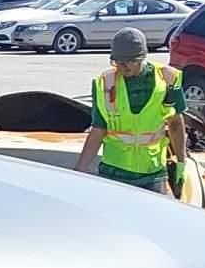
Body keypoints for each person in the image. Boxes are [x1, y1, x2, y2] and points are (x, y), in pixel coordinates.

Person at [75, 27, 187, 196]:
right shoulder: (105, 84)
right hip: (114, 172)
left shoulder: (168, 79)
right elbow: (98, 129)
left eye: (128, 62)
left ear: (141, 57)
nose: (122, 66)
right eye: (117, 62)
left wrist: (181, 163)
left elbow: (176, 124)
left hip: (153, 172)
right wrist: (79, 171)